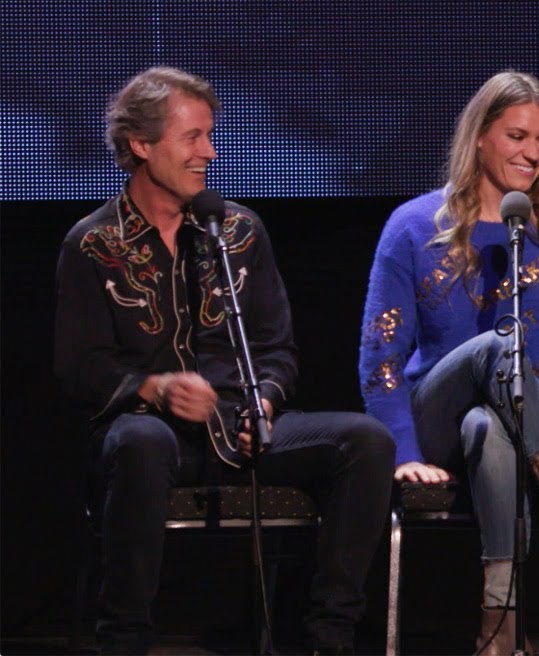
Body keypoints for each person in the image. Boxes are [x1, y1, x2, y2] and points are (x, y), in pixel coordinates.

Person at [54, 67, 395, 655]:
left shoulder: (237, 230)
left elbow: (277, 349)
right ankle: (125, 641)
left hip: (240, 429)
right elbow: (79, 366)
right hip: (149, 434)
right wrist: (157, 389)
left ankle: (328, 638)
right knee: (140, 443)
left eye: (210, 137)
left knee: (364, 441)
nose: (209, 153)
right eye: (194, 138)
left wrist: (263, 398)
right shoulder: (91, 243)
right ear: (141, 144)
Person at [358, 71, 539, 654]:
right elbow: (382, 358)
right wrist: (404, 453)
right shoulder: (413, 228)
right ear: (480, 136)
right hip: (441, 413)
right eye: (516, 136)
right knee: (494, 347)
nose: (532, 153)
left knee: (491, 426)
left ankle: (499, 629)